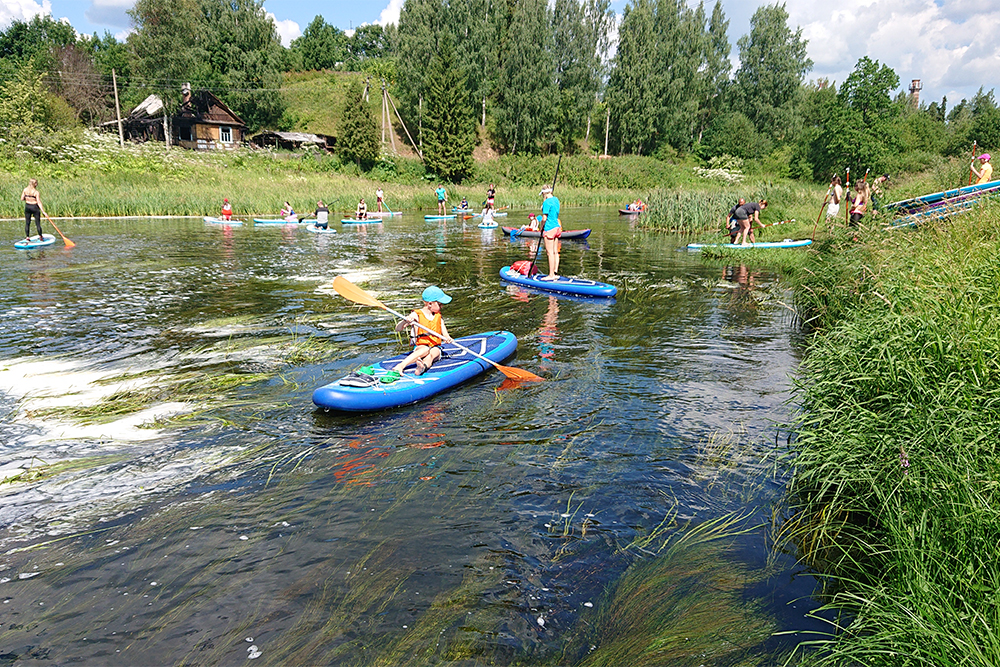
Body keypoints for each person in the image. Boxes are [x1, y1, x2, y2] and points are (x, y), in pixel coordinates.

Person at [380, 286, 454, 384]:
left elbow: (446, 335)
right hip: (421, 346)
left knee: (433, 353)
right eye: (440, 304)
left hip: (435, 346)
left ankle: (422, 367)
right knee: (425, 349)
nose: (442, 307)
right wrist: (405, 321)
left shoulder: (438, 317)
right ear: (430, 304)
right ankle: (400, 366)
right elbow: (398, 329)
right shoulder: (416, 315)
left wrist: (448, 339)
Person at [537, 185, 561, 279]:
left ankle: (551, 275)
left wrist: (541, 227)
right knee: (555, 252)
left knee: (549, 253)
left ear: (544, 193)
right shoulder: (556, 200)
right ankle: (555, 273)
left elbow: (544, 218)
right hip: (557, 227)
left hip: (549, 228)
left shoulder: (547, 202)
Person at [20, 178, 45, 242]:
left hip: (27, 207)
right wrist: (43, 211)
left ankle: (27, 237)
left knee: (27, 223)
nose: (37, 184)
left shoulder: (25, 190)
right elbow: (39, 202)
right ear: (34, 184)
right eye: (36, 183)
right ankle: (40, 236)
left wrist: (28, 198)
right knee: (38, 223)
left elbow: (22, 198)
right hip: (34, 207)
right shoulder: (36, 192)